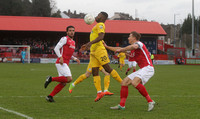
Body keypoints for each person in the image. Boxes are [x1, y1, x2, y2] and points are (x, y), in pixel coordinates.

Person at [103, 31, 155, 111]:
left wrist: (122, 49)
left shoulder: (139, 44)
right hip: (142, 69)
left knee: (134, 82)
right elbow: (119, 49)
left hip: (148, 68)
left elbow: (132, 47)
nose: (128, 38)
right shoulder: (132, 49)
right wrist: (106, 46)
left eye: (129, 36)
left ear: (134, 38)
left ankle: (150, 101)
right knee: (124, 82)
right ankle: (122, 105)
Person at [81, 11, 122, 102]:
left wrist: (89, 43)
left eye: (99, 15)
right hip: (93, 52)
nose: (97, 16)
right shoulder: (96, 26)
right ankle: (99, 93)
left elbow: (101, 37)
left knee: (107, 69)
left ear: (103, 18)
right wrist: (89, 46)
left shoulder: (100, 25)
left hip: (100, 51)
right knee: (95, 72)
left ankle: (122, 83)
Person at [44, 26, 80, 102]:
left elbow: (69, 54)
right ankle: (51, 79)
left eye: (73, 30)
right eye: (70, 30)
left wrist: (75, 58)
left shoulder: (73, 42)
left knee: (63, 83)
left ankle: (50, 96)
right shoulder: (64, 39)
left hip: (65, 63)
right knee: (69, 79)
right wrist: (60, 57)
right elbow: (56, 48)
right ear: (67, 32)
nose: (71, 32)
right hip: (61, 63)